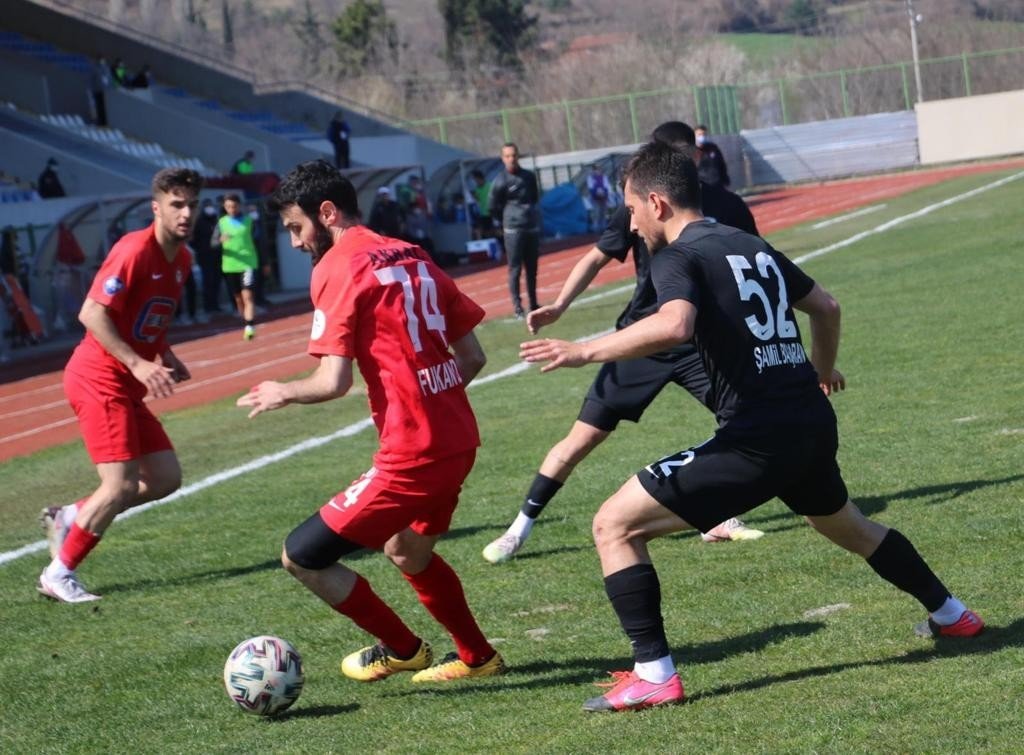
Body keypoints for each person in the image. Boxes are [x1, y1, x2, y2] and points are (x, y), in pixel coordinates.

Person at [520, 140, 984, 713]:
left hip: (759, 437)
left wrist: (584, 350)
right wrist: (821, 369)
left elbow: (675, 324)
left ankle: (654, 674)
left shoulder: (676, 256)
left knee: (613, 525)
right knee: (851, 528)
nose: (631, 224)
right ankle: (953, 615)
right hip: (810, 422)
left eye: (632, 209)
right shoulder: (746, 242)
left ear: (658, 203)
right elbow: (828, 307)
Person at [238, 159, 505, 684]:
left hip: (413, 454)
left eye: (296, 227)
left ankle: (403, 648)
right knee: (407, 549)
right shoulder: (414, 253)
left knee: (300, 556)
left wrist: (282, 391)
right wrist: (429, 398)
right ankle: (478, 657)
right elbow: (472, 358)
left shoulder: (336, 266)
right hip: (458, 439)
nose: (294, 242)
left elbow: (331, 381)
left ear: (327, 212)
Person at [483, 121, 761, 565]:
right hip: (641, 338)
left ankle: (717, 515)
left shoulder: (727, 206)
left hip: (699, 342)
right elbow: (597, 255)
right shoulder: (641, 204)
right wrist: (558, 305)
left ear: (693, 158)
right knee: (581, 439)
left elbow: (752, 275)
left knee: (748, 421)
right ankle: (519, 528)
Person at [37, 167, 202, 603]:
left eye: (192, 205)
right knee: (120, 486)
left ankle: (71, 515)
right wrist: (137, 364)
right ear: (156, 208)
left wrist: (164, 356)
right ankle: (59, 572)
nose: (186, 213)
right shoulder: (133, 250)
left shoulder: (182, 259)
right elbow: (92, 313)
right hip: (98, 377)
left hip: (125, 382)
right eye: (176, 205)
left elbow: (148, 320)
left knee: (165, 477)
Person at [488, 142, 541, 319]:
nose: (511, 159)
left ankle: (533, 304)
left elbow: (534, 198)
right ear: (503, 158)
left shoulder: (528, 176)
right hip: (513, 229)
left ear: (518, 156)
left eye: (514, 155)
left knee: (532, 268)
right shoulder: (500, 180)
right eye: (507, 156)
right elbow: (493, 206)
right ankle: (518, 307)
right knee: (515, 269)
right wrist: (506, 220)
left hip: (531, 226)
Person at [213, 193, 259, 339]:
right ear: (225, 207)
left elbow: (259, 240)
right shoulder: (221, 223)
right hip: (230, 265)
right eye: (228, 206)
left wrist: (264, 262)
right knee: (238, 298)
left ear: (239, 206)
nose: (231, 209)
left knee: (248, 296)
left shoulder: (249, 221)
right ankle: (245, 321)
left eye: (234, 206)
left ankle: (249, 326)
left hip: (247, 263)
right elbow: (212, 243)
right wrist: (220, 240)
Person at [192, 198, 223, 315]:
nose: (210, 208)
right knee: (208, 281)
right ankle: (208, 306)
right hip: (205, 256)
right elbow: (194, 240)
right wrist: (201, 250)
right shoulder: (199, 222)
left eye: (210, 206)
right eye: (207, 206)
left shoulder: (216, 220)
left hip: (217, 255)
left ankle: (216, 305)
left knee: (216, 280)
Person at [585, 163, 612, 231]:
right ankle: (596, 228)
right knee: (596, 213)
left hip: (603, 198)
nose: (597, 171)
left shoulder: (604, 177)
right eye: (595, 169)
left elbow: (607, 187)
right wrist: (597, 193)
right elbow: (591, 188)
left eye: (598, 169)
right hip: (595, 198)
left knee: (604, 213)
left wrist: (604, 194)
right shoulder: (590, 178)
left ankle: (604, 227)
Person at [468, 169, 492, 240]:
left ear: (479, 178)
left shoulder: (490, 186)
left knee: (493, 231)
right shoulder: (476, 189)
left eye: (475, 179)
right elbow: (478, 200)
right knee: (484, 231)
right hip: (483, 213)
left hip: (492, 213)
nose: (475, 182)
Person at [89, 55, 112, 126]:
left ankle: (104, 121)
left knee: (104, 107)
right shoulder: (95, 69)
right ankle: (100, 121)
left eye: (103, 60)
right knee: (98, 106)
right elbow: (92, 79)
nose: (101, 62)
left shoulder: (107, 69)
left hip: (105, 91)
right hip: (97, 90)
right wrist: (92, 89)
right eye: (100, 60)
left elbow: (109, 79)